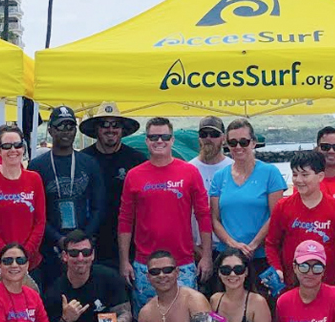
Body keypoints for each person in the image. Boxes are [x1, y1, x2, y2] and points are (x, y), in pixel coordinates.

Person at [118, 117, 213, 306]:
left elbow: (203, 215)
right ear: (147, 140)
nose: (159, 141)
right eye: (154, 137)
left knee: (186, 316)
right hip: (145, 265)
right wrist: (124, 261)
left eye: (164, 137)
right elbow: (125, 220)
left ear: (172, 140)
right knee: (147, 319)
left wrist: (207, 256)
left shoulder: (190, 172)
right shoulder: (134, 175)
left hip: (182, 263)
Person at [28, 106, 104, 284]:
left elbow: (99, 206)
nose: (66, 131)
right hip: (49, 246)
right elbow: (34, 211)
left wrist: (83, 240)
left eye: (70, 126)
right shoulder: (37, 166)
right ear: (50, 130)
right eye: (60, 126)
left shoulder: (89, 163)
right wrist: (57, 238)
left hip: (83, 247)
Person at [209, 118, 286, 282]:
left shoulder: (270, 173)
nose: (238, 147)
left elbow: (276, 216)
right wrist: (233, 244)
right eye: (233, 142)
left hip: (261, 257)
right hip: (227, 258)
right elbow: (214, 219)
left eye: (243, 142)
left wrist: (253, 245)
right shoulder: (219, 177)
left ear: (253, 143)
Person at [266, 150, 335, 289]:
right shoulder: (282, 206)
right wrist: (277, 269)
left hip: (328, 285)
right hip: (291, 285)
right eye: (295, 174)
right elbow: (271, 244)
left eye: (305, 175)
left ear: (320, 176)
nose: (298, 180)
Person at [81, 102, 146, 267]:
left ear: (122, 129)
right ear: (96, 129)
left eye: (115, 125)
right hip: (92, 242)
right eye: (104, 124)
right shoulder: (82, 160)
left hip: (130, 242)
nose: (110, 129)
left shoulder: (137, 160)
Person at [0, 124, 46, 274]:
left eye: (17, 145)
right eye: (7, 146)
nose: (13, 150)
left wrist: (24, 255)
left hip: (29, 262)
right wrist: (6, 256)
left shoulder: (34, 179)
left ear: (23, 148)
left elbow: (40, 221)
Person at [190, 116, 232, 251]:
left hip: (229, 247)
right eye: (204, 134)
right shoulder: (189, 169)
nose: (208, 138)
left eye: (214, 134)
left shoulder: (233, 168)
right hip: (196, 247)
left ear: (223, 138)